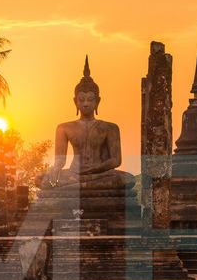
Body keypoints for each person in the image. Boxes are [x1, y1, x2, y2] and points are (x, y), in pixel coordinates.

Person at [39, 57, 133, 191]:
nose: (86, 103)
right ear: (75, 101)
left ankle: (77, 188)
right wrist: (56, 168)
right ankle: (83, 187)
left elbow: (116, 160)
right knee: (40, 179)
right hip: (73, 174)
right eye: (81, 99)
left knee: (128, 179)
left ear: (98, 102)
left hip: (100, 174)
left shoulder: (109, 127)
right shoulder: (64, 128)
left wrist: (97, 168)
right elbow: (60, 159)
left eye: (90, 99)